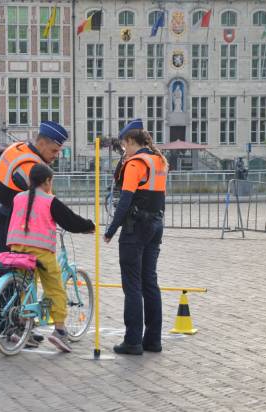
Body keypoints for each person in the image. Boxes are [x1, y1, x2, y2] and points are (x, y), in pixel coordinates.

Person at [7, 164, 94, 352]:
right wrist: (89, 226)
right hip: (40, 252)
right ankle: (60, 331)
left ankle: (23, 328)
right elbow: (70, 220)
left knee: (26, 287)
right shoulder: (49, 201)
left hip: (16, 249)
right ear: (47, 181)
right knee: (56, 289)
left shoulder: (18, 198)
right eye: (50, 181)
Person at [104, 119, 168, 355]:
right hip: (156, 225)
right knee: (150, 282)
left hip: (135, 228)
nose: (124, 151)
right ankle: (153, 340)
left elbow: (125, 200)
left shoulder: (136, 164)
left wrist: (111, 230)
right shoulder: (159, 161)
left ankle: (132, 341)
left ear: (131, 141)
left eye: (124, 146)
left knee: (132, 285)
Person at [0, 121, 67, 284]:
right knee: (16, 268)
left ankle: (0, 306)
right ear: (42, 143)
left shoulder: (17, 148)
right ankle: (12, 306)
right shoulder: (32, 166)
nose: (56, 155)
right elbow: (47, 202)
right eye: (54, 150)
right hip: (9, 223)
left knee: (1, 263)